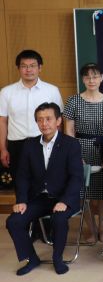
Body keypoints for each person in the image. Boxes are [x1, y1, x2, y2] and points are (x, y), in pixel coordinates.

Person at [6, 102, 83, 276]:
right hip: (39, 198)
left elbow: (76, 177)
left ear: (58, 121)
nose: (44, 123)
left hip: (65, 197)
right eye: (40, 120)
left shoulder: (71, 144)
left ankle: (57, 258)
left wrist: (65, 201)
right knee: (14, 221)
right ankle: (31, 258)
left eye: (48, 119)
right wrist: (21, 200)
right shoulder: (30, 145)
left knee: (59, 219)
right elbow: (23, 176)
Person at [63, 63, 103, 241]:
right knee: (82, 192)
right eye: (87, 77)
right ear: (83, 79)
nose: (91, 80)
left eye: (95, 76)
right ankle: (91, 228)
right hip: (79, 147)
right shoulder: (73, 101)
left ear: (101, 78)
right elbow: (68, 130)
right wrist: (74, 155)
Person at [0, 50, 63, 190]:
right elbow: (2, 122)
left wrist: (58, 146)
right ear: (18, 68)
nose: (28, 70)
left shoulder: (52, 90)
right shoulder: (6, 92)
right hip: (16, 145)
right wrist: (3, 149)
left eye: (32, 65)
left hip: (44, 143)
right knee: (20, 185)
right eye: (24, 66)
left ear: (40, 67)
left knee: (44, 186)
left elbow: (58, 121)